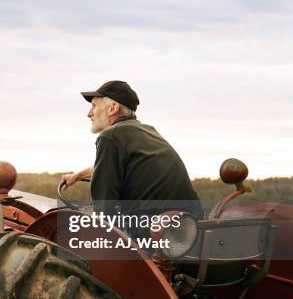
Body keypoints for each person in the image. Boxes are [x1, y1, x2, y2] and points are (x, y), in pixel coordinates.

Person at [62, 80, 202, 222]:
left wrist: (96, 223)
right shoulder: (147, 130)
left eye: (94, 106)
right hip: (190, 222)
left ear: (113, 108)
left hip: (152, 224)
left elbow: (104, 204)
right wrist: (78, 175)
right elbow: (116, 166)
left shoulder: (110, 136)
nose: (89, 114)